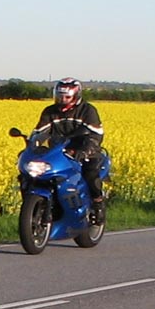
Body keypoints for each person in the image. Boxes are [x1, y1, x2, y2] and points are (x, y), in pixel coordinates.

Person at [33, 77, 106, 224]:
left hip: (85, 151)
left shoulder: (87, 111)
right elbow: (40, 132)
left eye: (67, 97)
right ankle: (39, 207)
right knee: (32, 176)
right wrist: (32, 147)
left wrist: (85, 151)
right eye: (60, 96)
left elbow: (95, 134)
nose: (62, 100)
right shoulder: (50, 112)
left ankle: (98, 204)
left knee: (90, 175)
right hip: (58, 152)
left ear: (76, 96)